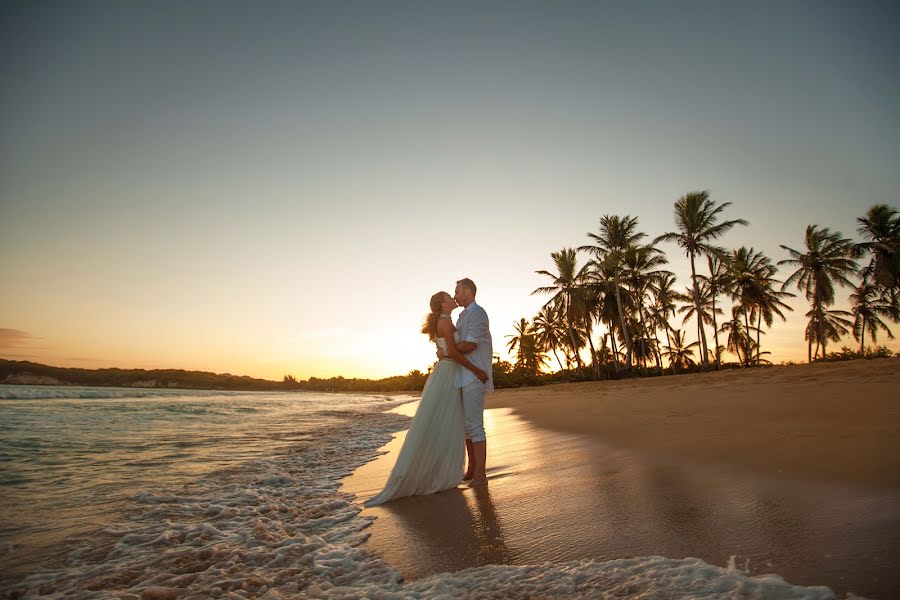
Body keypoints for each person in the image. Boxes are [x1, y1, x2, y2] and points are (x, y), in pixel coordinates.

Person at [365, 291, 488, 507]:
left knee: (447, 423)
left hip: (448, 372)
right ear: (442, 304)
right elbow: (454, 353)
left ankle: (455, 470)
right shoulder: (446, 322)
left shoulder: (447, 320)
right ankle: (436, 475)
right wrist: (476, 370)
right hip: (449, 372)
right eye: (450, 297)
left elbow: (449, 350)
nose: (453, 298)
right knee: (442, 423)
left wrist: (447, 353)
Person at [445, 278, 493, 487]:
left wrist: (448, 351)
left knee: (475, 425)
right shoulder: (462, 315)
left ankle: (481, 475)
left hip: (475, 374)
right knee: (466, 427)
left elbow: (471, 344)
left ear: (467, 291)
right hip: (462, 375)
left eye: (457, 291)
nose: (455, 295)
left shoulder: (478, 313)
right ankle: (472, 469)